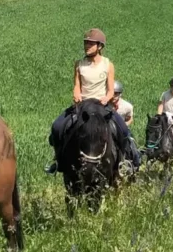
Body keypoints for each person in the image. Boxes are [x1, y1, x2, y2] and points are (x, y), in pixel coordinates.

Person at [47, 28, 139, 175]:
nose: (87, 46)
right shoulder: (79, 64)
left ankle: (123, 161)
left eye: (91, 43)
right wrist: (76, 94)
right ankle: (59, 161)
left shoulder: (108, 65)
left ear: (100, 46)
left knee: (123, 130)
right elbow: (77, 85)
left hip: (101, 106)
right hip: (82, 105)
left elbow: (111, 90)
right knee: (57, 126)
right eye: (86, 43)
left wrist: (106, 98)